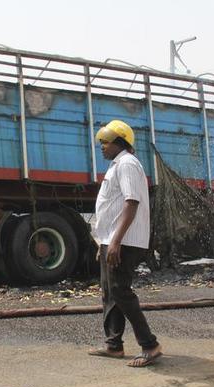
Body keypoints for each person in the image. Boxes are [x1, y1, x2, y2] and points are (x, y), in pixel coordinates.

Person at [87, 120, 162, 367]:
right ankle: (113, 345)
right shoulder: (115, 165)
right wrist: (105, 243)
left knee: (120, 290)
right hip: (114, 239)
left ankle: (150, 345)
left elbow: (132, 203)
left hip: (126, 240)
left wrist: (116, 242)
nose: (102, 147)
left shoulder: (128, 164)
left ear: (119, 142)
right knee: (110, 291)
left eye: (105, 142)